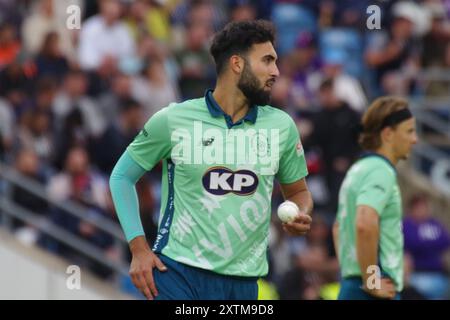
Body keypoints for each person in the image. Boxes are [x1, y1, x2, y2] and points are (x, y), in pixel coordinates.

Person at [110, 20, 313, 300]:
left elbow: (299, 192)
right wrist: (138, 248)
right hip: (178, 274)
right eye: (267, 60)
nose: (276, 71)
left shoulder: (282, 127)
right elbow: (121, 177)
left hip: (243, 284)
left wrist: (301, 211)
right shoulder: (173, 119)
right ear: (237, 64)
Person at [332, 97, 418, 300]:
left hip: (352, 284)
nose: (415, 139)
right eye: (409, 131)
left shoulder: (357, 169)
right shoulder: (380, 170)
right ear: (388, 134)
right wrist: (371, 282)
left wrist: (354, 274)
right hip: (374, 288)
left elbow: (337, 228)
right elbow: (365, 223)